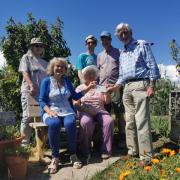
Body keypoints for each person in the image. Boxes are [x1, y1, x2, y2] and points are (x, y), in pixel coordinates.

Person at [108, 23, 160, 165]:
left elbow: (152, 65)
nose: (123, 35)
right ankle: (132, 151)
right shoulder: (122, 53)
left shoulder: (141, 44)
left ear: (130, 32)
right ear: (117, 36)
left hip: (141, 85)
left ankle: (146, 157)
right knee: (129, 121)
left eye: (125, 32)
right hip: (127, 88)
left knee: (142, 121)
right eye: (120, 33)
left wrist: (152, 86)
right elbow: (122, 75)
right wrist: (115, 87)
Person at [39, 57, 96, 173]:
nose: (59, 68)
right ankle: (55, 158)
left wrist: (88, 88)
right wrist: (49, 112)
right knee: (54, 124)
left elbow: (75, 96)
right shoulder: (46, 81)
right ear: (52, 68)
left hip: (67, 111)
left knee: (70, 124)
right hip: (51, 110)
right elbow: (42, 101)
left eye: (62, 67)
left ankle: (73, 154)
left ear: (65, 70)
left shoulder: (67, 81)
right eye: (57, 66)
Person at [74, 65, 114, 160]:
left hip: (100, 110)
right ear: (84, 76)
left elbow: (107, 102)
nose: (91, 75)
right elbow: (76, 104)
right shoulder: (80, 88)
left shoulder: (100, 87)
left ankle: (106, 150)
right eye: (88, 74)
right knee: (86, 122)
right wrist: (87, 110)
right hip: (85, 110)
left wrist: (107, 92)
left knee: (108, 121)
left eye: (93, 73)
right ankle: (85, 150)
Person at [97, 31, 126, 147]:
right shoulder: (99, 55)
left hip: (115, 86)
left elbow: (122, 69)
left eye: (107, 39)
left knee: (119, 113)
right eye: (103, 40)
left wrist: (117, 85)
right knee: (104, 114)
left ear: (110, 40)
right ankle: (106, 139)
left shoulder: (118, 52)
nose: (105, 41)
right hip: (103, 88)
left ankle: (122, 138)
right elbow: (98, 72)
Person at [18, 38, 48, 145]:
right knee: (27, 116)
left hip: (41, 94)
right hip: (29, 91)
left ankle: (39, 148)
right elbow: (25, 73)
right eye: (36, 45)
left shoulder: (45, 63)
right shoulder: (26, 57)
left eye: (40, 46)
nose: (39, 47)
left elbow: (48, 80)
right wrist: (31, 85)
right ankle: (24, 144)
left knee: (40, 118)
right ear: (31, 47)